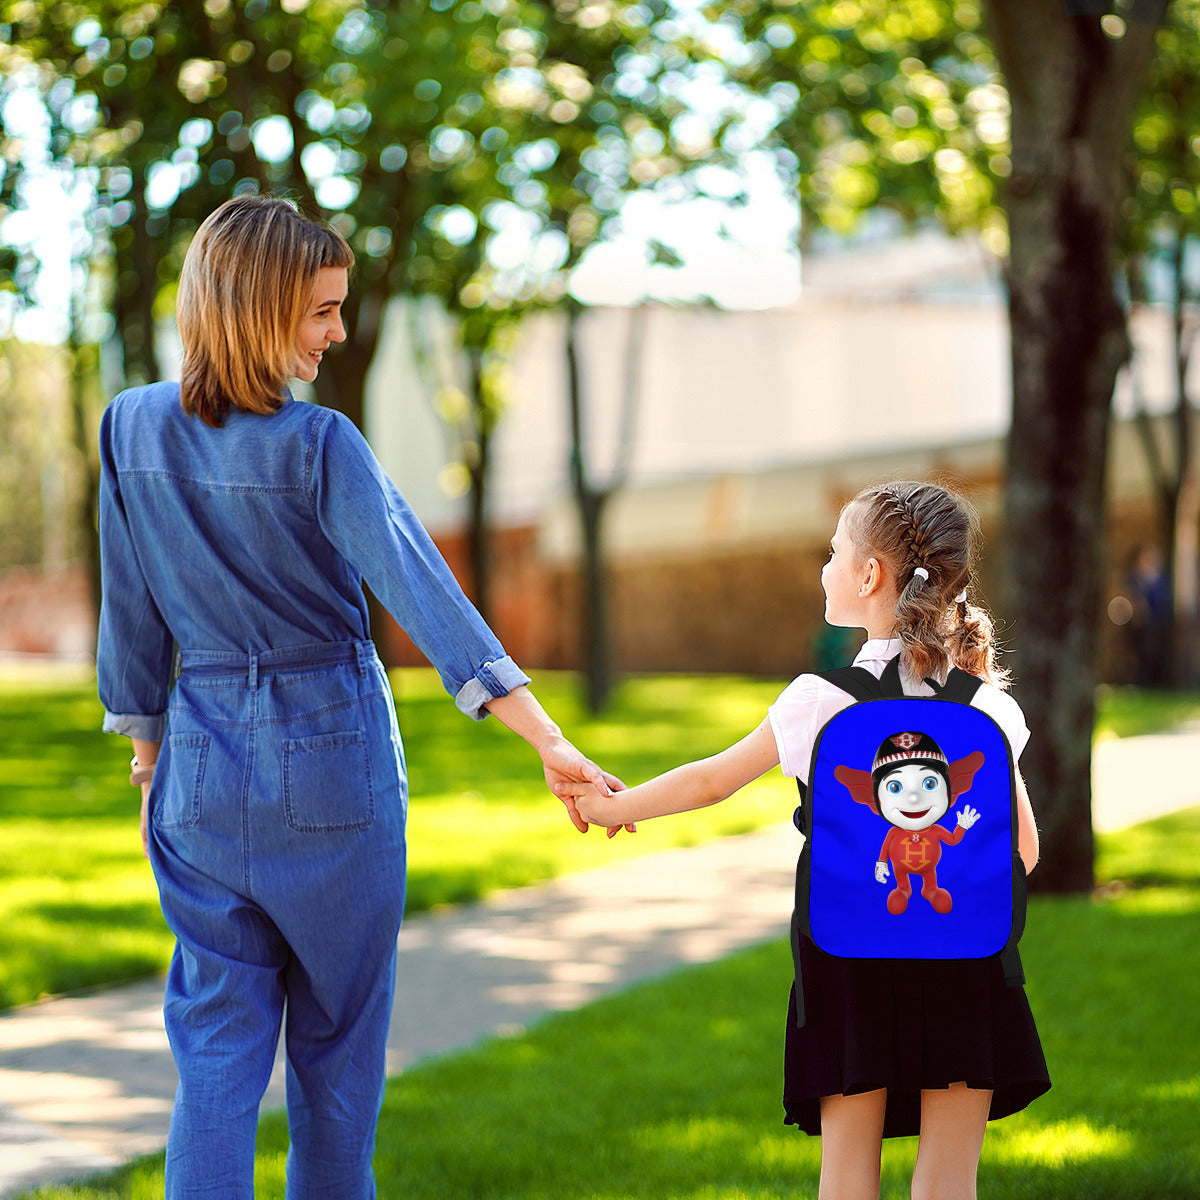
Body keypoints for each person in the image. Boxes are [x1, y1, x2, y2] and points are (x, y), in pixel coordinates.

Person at [96, 194, 620, 1199]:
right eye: (321, 311)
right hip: (329, 760)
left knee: (213, 1059)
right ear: (256, 306)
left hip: (198, 774)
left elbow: (132, 614)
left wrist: (152, 754)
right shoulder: (318, 443)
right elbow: (426, 592)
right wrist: (544, 737)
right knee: (335, 1059)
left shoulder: (130, 427)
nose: (339, 332)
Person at [559, 481, 1049, 1200]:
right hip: (963, 964)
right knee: (950, 1181)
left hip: (850, 963)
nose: (825, 567)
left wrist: (615, 808)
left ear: (869, 574)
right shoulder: (987, 708)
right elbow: (1025, 855)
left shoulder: (820, 701)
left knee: (846, 1177)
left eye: (834, 551)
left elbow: (709, 783)